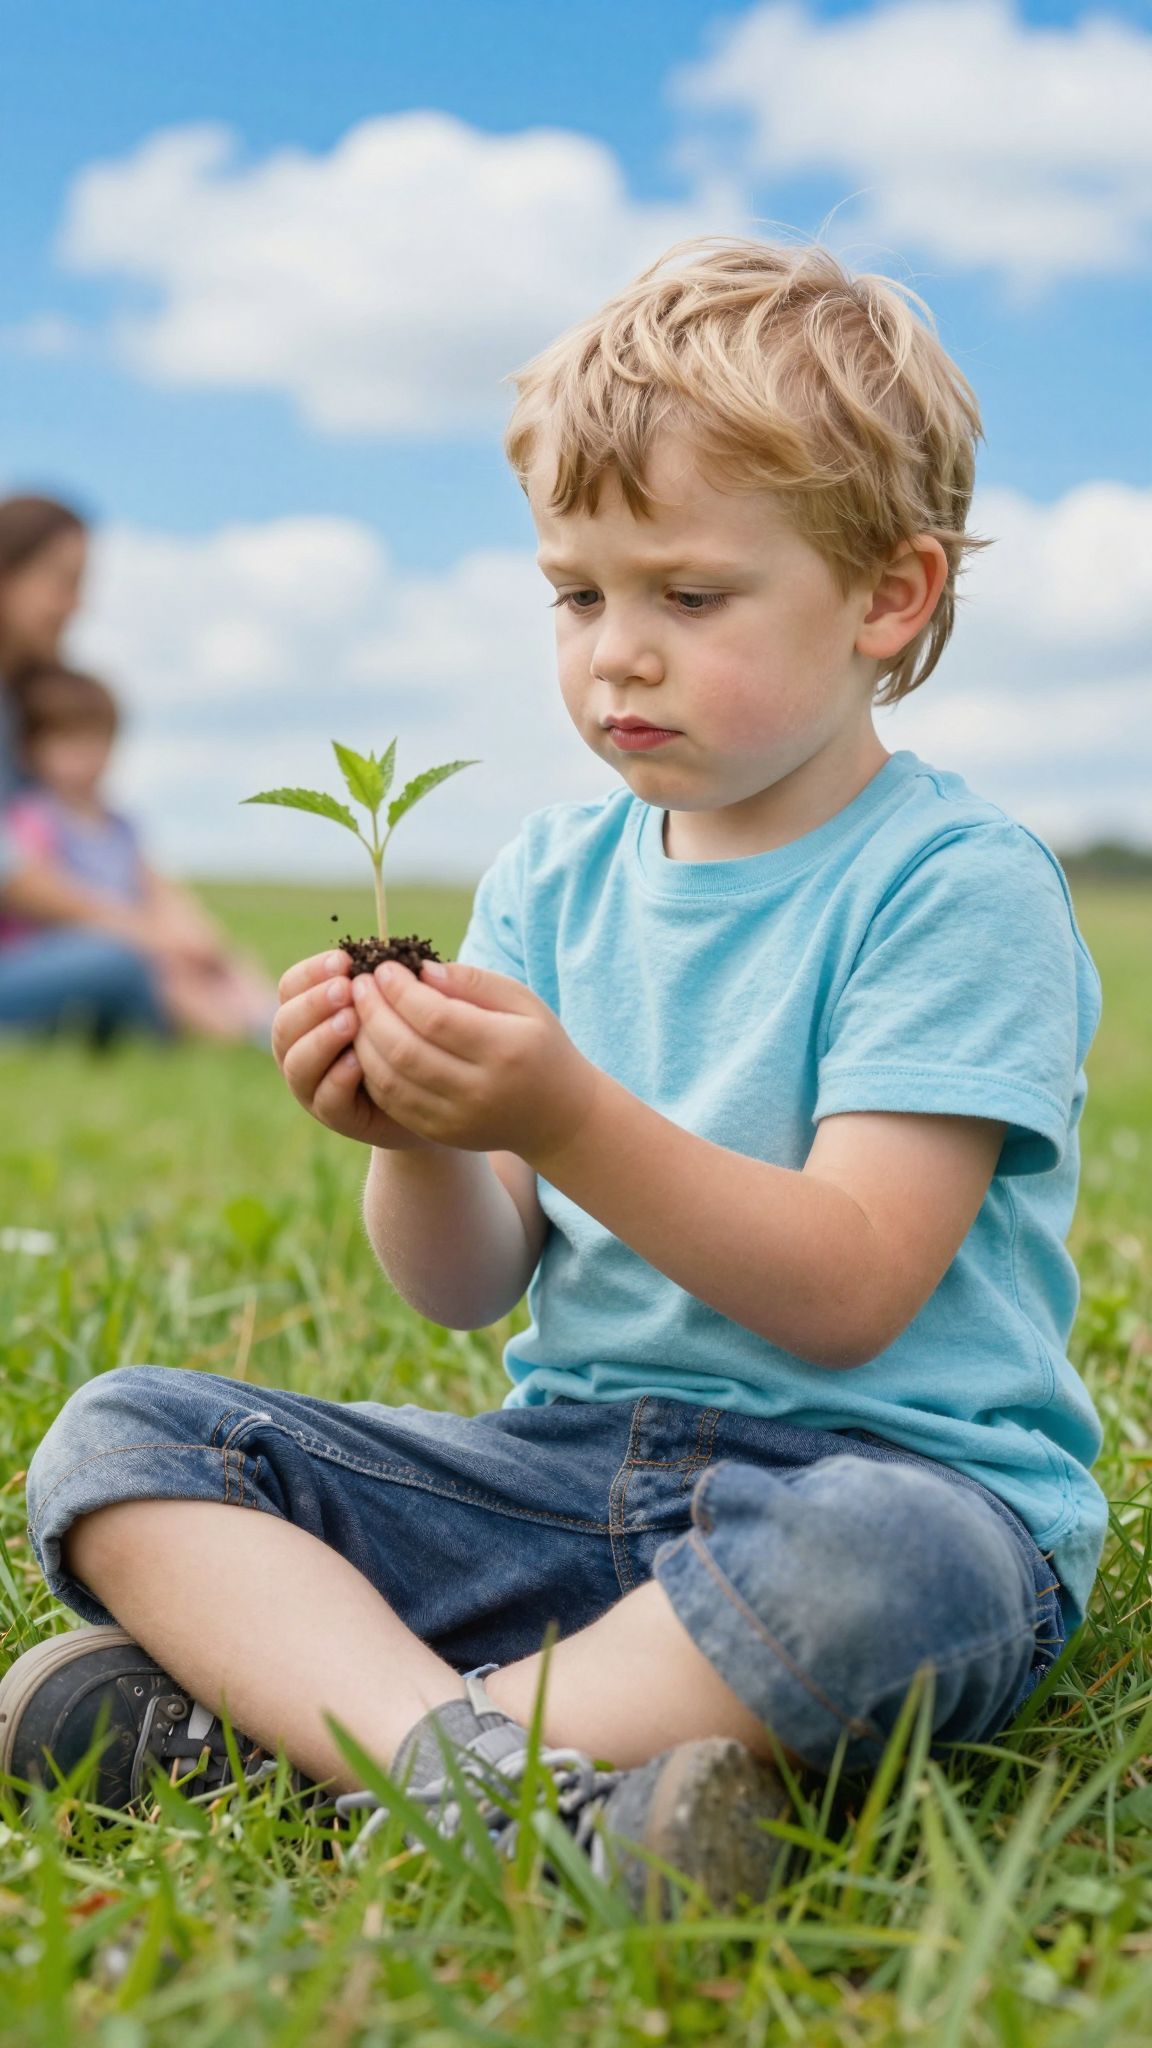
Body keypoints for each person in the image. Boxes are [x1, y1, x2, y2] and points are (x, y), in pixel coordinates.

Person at [0, 239, 1104, 1913]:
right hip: (567, 1478)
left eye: (688, 595)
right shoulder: (549, 873)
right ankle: (515, 1774)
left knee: (889, 1568)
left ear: (890, 593)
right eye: (577, 595)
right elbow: (462, 1286)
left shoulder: (953, 885)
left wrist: (562, 1109)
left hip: (876, 1485)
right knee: (124, 1440)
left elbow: (848, 1288)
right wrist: (419, 1138)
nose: (616, 654)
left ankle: (338, 1742)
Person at [0, 494, 229, 1043]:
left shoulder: (28, 705)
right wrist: (142, 933)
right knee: (120, 962)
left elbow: (102, 831)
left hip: (38, 951)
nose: (76, 605)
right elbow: (9, 868)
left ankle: (263, 1025)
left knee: (157, 956)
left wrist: (191, 932)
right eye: (63, 581)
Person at [2, 661, 277, 1044]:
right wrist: (154, 938)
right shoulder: (33, 819)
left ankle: (272, 1020)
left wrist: (199, 940)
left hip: (137, 937)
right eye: (68, 743)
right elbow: (43, 895)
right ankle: (241, 1038)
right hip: (58, 953)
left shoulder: (120, 825)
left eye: (97, 742)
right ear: (31, 751)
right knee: (161, 969)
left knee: (222, 958)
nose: (85, 759)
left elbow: (156, 888)